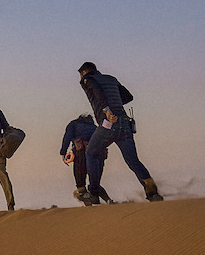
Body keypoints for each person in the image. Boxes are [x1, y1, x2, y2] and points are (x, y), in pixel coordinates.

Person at [77, 62, 163, 203]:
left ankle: (93, 193)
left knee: (91, 153)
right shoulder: (112, 79)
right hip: (124, 124)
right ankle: (152, 192)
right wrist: (115, 103)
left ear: (84, 72)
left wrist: (107, 110)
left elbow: (97, 91)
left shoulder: (87, 80)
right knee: (132, 160)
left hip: (109, 123)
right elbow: (128, 97)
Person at [59, 114, 111, 205]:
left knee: (80, 184)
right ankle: (107, 200)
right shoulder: (94, 127)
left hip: (81, 153)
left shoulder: (73, 124)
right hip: (99, 155)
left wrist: (63, 152)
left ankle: (89, 205)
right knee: (95, 184)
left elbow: (67, 137)